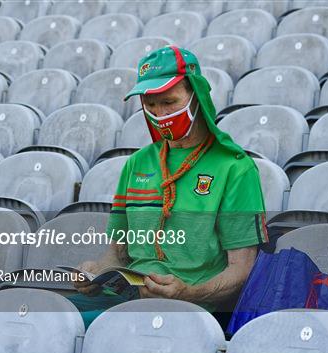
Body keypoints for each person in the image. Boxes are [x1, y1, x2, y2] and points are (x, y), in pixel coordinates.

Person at [67, 46, 269, 328]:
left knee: (76, 328)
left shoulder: (235, 168)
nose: (160, 114)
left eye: (169, 102)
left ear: (196, 95)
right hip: (126, 298)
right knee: (36, 315)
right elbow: (118, 251)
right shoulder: (137, 163)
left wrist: (189, 292)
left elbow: (243, 268)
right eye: (150, 105)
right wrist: (97, 271)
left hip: (192, 309)